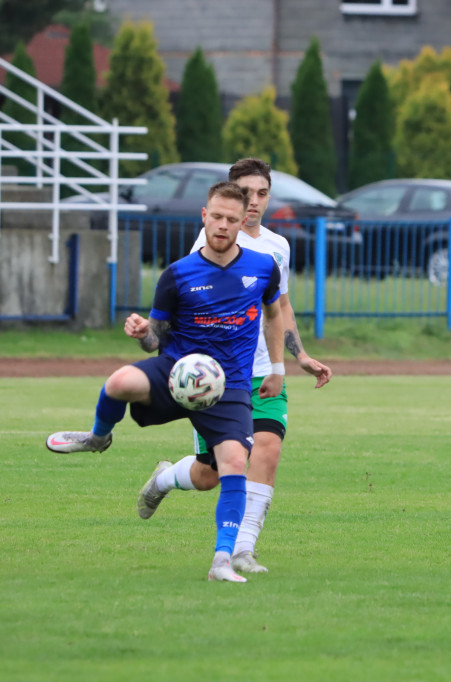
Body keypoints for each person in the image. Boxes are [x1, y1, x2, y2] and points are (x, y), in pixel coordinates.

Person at [45, 181, 286, 583]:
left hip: (228, 386)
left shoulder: (263, 267)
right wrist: (143, 332)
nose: (223, 225)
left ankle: (221, 561)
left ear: (243, 221)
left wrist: (277, 368)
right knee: (119, 382)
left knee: (229, 466)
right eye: (217, 217)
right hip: (177, 371)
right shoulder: (178, 274)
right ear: (204, 216)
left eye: (232, 219)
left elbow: (275, 314)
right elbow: (156, 338)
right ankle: (98, 437)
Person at [133, 158, 333, 575]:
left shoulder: (278, 247)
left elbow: (280, 307)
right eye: (247, 192)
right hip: (218, 377)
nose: (255, 201)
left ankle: (243, 550)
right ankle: (166, 478)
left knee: (268, 450)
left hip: (264, 370)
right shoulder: (208, 244)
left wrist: (298, 357)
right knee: (211, 475)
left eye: (262, 193)